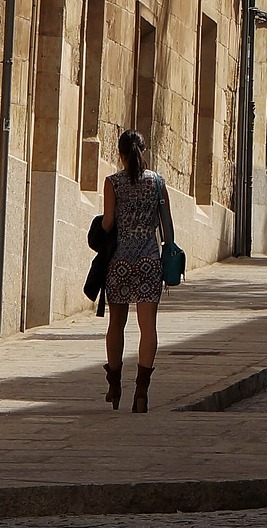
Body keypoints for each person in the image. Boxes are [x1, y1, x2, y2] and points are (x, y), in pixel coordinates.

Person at [101, 129, 173, 412]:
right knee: (148, 327)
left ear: (120, 154)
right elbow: (167, 226)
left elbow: (108, 223)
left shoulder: (112, 183)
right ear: (145, 151)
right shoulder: (157, 183)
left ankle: (115, 384)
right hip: (148, 261)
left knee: (116, 325)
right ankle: (141, 391)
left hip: (119, 261)